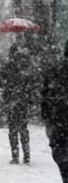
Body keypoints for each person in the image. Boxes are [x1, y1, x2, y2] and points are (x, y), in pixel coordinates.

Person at [0, 43, 36, 164]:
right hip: (22, 101)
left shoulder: (7, 67)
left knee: (13, 129)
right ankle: (27, 155)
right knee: (23, 127)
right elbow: (31, 84)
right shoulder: (25, 66)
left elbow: (0, 83)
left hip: (11, 101)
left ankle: (15, 156)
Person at [41, 40, 68, 182]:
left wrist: (48, 120)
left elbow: (45, 99)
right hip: (59, 123)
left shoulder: (54, 71)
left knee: (63, 161)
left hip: (59, 124)